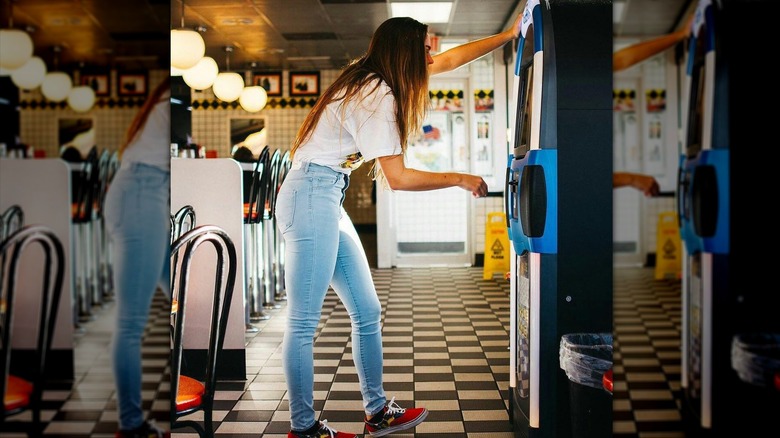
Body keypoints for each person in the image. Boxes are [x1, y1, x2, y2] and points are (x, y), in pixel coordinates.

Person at [274, 14, 523, 438]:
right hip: (310, 195)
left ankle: (376, 411)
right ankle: (303, 428)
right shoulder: (375, 92)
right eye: (425, 47)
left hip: (326, 195)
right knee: (302, 322)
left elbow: (450, 61)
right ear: (405, 51)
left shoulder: (374, 78)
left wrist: (510, 35)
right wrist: (459, 178)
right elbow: (399, 178)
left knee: (367, 311)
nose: (432, 54)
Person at [103, 76, 171, 438]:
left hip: (144, 194)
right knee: (131, 323)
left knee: (179, 292)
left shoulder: (161, 101)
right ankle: (131, 426)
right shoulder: (169, 101)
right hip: (141, 195)